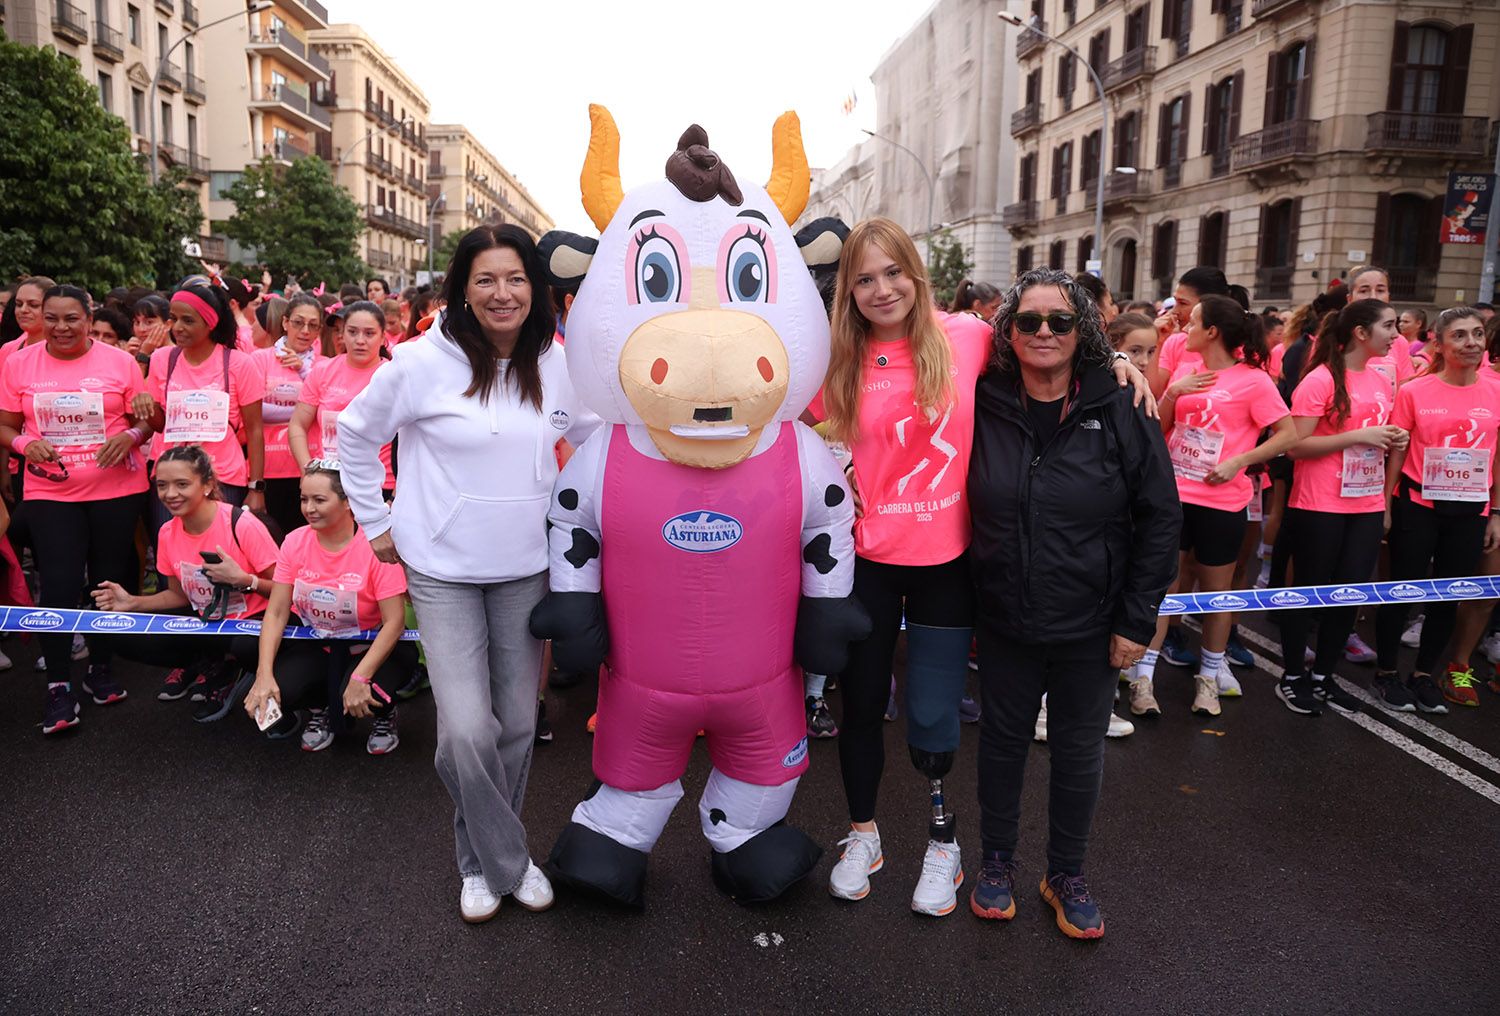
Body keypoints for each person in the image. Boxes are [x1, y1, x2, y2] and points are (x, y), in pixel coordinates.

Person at [808, 218, 1150, 916]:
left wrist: (1114, 365)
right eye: (864, 278)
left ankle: (943, 845)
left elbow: (1047, 347)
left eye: (893, 272)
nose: (881, 289)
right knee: (863, 706)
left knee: (933, 717)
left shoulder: (963, 337)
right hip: (867, 562)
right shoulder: (832, 359)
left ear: (916, 274)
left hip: (949, 564)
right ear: (848, 289)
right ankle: (862, 835)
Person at [336, 224, 596, 922]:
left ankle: (480, 864)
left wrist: (593, 526)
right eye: (485, 279)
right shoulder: (421, 362)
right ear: (462, 289)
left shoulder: (557, 360)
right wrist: (377, 523)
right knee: (464, 733)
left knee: (515, 723)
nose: (502, 293)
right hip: (442, 569)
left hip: (525, 568)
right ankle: (506, 861)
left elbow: (596, 440)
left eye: (514, 278)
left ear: (534, 288)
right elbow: (354, 437)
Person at [967, 268, 1180, 940]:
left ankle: (1065, 873)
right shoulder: (984, 397)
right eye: (1028, 321)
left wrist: (1136, 621)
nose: (1043, 333)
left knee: (1079, 752)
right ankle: (996, 862)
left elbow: (1161, 517)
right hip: (1004, 615)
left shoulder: (1119, 404)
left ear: (1081, 329)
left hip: (1092, 623)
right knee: (1001, 746)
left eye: (1060, 321)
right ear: (1009, 331)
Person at [0, 285, 155, 735]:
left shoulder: (120, 362)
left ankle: (101, 666)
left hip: (116, 489)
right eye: (52, 318)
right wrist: (27, 443)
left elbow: (146, 417)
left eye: (71, 318)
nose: (61, 328)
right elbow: (6, 426)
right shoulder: (18, 363)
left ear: (89, 319)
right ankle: (57, 685)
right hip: (52, 491)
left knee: (108, 580)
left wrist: (133, 435)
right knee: (61, 583)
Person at [1135, 296, 1297, 716]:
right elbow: (1159, 428)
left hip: (1223, 502)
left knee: (1215, 595)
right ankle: (1143, 680)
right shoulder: (1188, 373)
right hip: (1174, 498)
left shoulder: (1254, 381)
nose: (1185, 330)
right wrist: (1172, 392)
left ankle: (1208, 680)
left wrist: (1241, 461)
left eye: (1194, 324)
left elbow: (1288, 433)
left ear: (1212, 333)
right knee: (1164, 589)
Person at [1273, 300, 1404, 716]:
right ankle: (1293, 675)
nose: (1396, 335)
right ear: (1361, 333)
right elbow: (1295, 446)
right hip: (1319, 503)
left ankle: (1323, 676)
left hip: (1364, 502)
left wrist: (1390, 441)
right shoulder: (1320, 379)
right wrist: (1358, 435)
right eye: (1388, 326)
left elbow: (1372, 439)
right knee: (1309, 591)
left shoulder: (1381, 381)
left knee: (1348, 595)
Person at [91, 445, 280, 720]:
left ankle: (234, 669)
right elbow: (177, 597)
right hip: (207, 619)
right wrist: (132, 602)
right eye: (162, 485)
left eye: (182, 484)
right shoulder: (167, 532)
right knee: (119, 632)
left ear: (207, 485)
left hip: (250, 623)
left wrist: (245, 581)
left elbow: (289, 592)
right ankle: (210, 666)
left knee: (243, 647)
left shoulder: (241, 524)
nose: (170, 494)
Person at [1373, 307, 1500, 712]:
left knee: (1448, 594)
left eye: (1477, 334)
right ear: (1440, 345)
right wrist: (1386, 504)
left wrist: (1496, 511)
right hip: (1417, 504)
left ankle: (1425, 673)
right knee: (1403, 590)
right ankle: (1387, 672)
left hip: (1471, 508)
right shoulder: (1414, 390)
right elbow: (1397, 449)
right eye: (1460, 336)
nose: (1472, 343)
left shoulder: (1496, 389)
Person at [243, 461, 416, 753]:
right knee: (279, 690)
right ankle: (319, 706)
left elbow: (395, 622)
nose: (309, 508)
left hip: (374, 647)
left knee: (369, 690)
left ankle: (385, 714)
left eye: (319, 500)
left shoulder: (377, 547)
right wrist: (264, 674)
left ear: (348, 502)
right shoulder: (294, 542)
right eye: (303, 499)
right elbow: (276, 612)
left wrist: (361, 677)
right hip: (321, 645)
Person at [140, 284, 266, 529]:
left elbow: (255, 430)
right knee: (172, 554)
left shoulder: (239, 364)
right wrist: (146, 405)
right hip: (170, 476)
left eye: (188, 320)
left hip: (222, 477)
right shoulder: (162, 359)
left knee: (218, 559)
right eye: (173, 319)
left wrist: (256, 487)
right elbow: (159, 425)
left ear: (210, 323)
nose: (177, 327)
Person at [289, 301, 392, 493]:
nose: (360, 340)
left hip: (378, 484)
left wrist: (395, 493)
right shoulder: (323, 371)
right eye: (352, 332)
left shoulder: (394, 376)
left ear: (382, 336)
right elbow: (297, 424)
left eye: (369, 333)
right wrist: (307, 470)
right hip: (329, 479)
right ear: (342, 334)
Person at [253, 294, 323, 534]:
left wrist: (304, 371)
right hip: (267, 466)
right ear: (285, 323)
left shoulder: (323, 366)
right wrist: (304, 409)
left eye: (312, 325)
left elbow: (325, 410)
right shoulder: (259, 360)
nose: (305, 331)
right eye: (298, 322)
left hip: (309, 466)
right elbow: (253, 411)